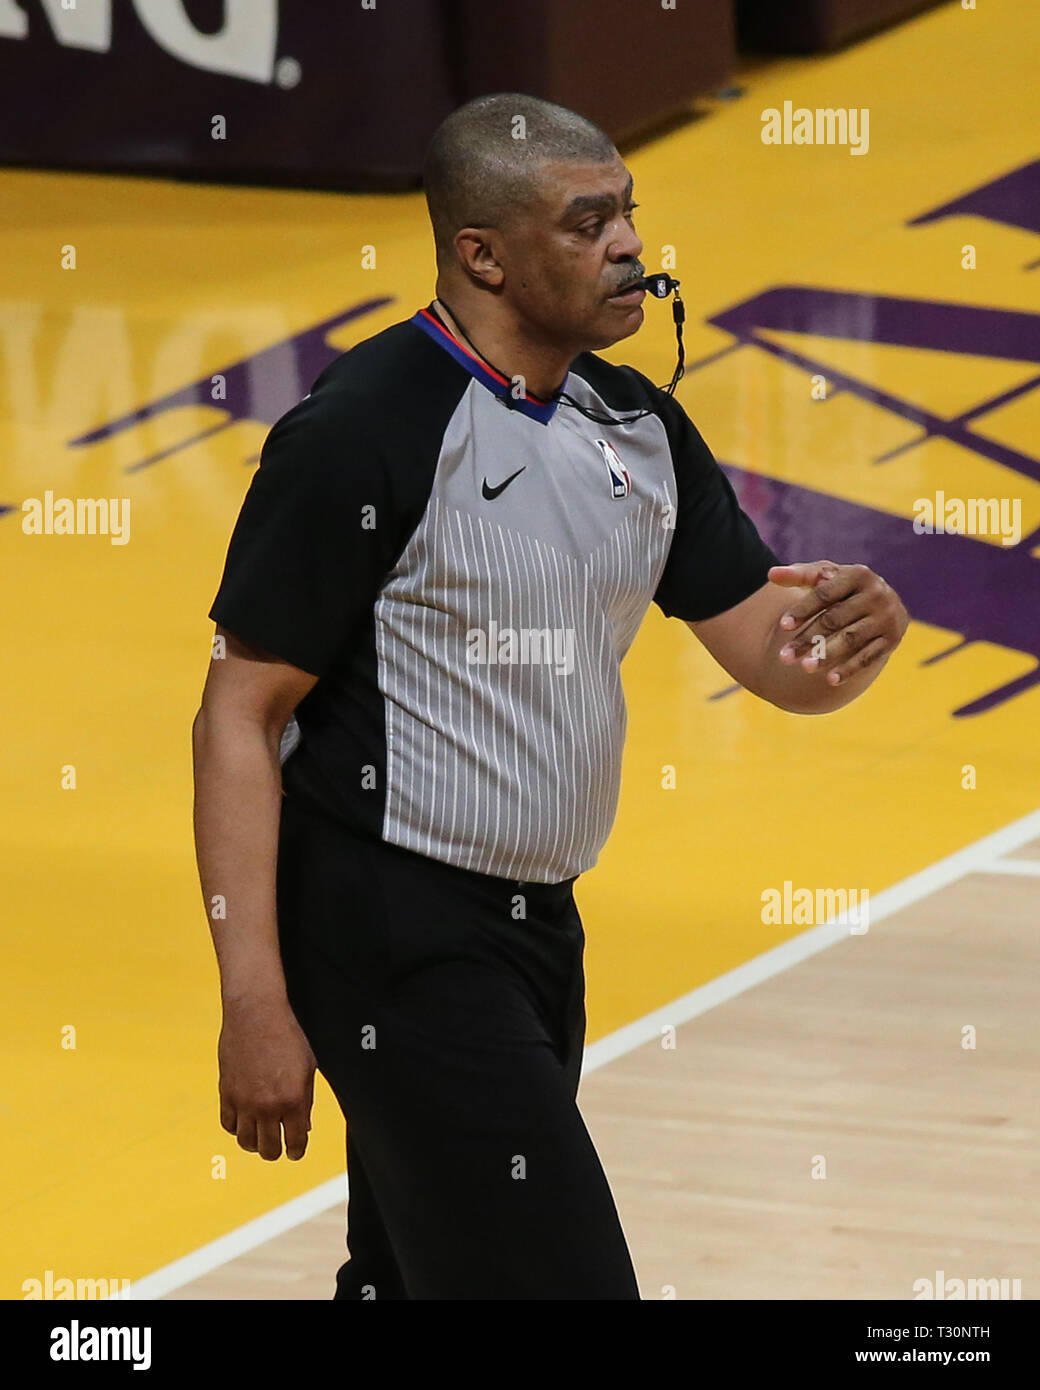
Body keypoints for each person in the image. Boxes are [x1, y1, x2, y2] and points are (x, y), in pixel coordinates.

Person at [191, 92, 908, 1301]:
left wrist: (855, 631)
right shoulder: (362, 433)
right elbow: (237, 714)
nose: (629, 245)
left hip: (536, 929)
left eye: (627, 213)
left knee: (415, 1273)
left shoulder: (636, 424)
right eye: (587, 225)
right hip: (389, 928)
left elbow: (777, 660)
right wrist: (255, 998)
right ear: (482, 253)